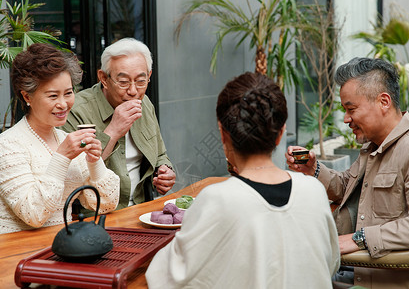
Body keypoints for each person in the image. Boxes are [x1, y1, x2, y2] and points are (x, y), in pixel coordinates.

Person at [145, 72, 340, 288]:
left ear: (222, 133)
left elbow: (166, 278)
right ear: (280, 133)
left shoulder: (217, 199)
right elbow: (330, 264)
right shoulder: (314, 191)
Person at [286, 57, 409, 289]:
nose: (346, 119)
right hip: (352, 274)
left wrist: (358, 239)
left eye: (351, 109)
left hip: (384, 281)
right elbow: (346, 188)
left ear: (384, 102)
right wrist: (313, 169)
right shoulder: (373, 146)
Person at [0, 43, 120, 234]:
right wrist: (62, 158)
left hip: (61, 245)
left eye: (68, 93)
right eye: (53, 95)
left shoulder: (66, 139)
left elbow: (107, 204)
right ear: (27, 97)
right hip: (16, 253)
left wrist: (94, 162)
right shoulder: (7, 144)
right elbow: (33, 214)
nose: (63, 104)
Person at [62, 38, 175, 209]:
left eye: (140, 81)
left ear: (149, 76)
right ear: (104, 78)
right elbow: (75, 175)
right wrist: (113, 131)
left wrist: (164, 170)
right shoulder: (76, 111)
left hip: (142, 208)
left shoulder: (145, 103)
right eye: (123, 82)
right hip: (95, 216)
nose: (133, 91)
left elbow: (160, 154)